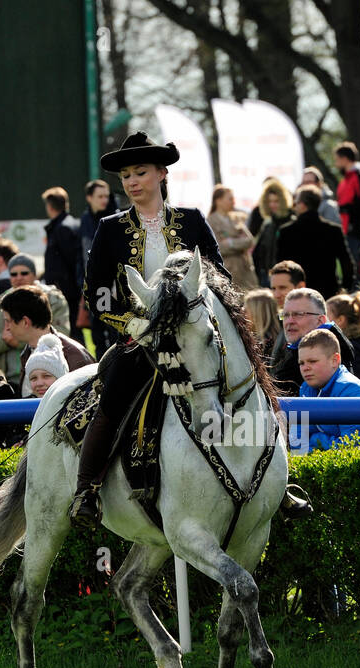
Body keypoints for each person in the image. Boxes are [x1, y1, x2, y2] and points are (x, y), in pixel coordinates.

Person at [72, 131, 230, 524]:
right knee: (114, 394)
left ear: (162, 173)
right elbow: (97, 294)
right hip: (139, 340)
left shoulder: (192, 220)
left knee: (244, 380)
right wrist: (134, 323)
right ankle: (86, 490)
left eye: (140, 172)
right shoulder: (109, 229)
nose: (131, 182)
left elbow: (220, 277)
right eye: (125, 175)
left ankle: (273, 484)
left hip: (195, 334)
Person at [287, 328, 360, 452]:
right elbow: (297, 445)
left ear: (335, 360)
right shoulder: (305, 389)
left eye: (312, 361)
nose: (305, 368)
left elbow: (351, 449)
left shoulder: (351, 391)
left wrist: (315, 438)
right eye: (301, 363)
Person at [276, 185, 356, 299]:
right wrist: (345, 288)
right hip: (328, 291)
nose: (294, 207)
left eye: (296, 203)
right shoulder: (333, 230)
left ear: (302, 205)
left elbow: (281, 265)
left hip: (297, 293)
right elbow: (346, 262)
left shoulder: (286, 232)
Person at [271, 288, 356, 395]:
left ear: (320, 321)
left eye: (298, 314)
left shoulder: (334, 364)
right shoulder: (291, 355)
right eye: (285, 315)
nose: (289, 321)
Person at [0, 285, 93, 375]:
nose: (7, 328)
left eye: (8, 321)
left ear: (25, 322)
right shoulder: (28, 352)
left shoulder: (73, 356)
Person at [41, 187, 85, 320]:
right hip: (67, 288)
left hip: (65, 291)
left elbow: (71, 260)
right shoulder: (68, 224)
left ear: (49, 206)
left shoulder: (62, 228)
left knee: (70, 329)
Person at [207, 185, 259, 291]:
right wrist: (239, 242)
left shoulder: (237, 218)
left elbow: (250, 241)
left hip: (246, 270)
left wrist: (230, 242)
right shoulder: (210, 221)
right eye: (230, 199)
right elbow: (219, 248)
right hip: (229, 272)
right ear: (219, 200)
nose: (233, 202)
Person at [334, 141, 360, 265]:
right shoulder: (345, 179)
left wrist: (355, 222)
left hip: (354, 228)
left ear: (344, 159)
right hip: (344, 227)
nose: (336, 164)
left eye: (337, 160)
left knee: (354, 264)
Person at [252, 179, 294, 287]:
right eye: (270, 201)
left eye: (276, 201)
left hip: (288, 277)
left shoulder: (292, 222)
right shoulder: (268, 225)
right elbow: (258, 253)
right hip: (268, 277)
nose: (272, 205)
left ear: (283, 201)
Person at [23, 333, 69, 399]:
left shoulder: (75, 406)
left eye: (46, 376)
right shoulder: (24, 407)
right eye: (33, 378)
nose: (39, 383)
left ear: (60, 378)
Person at [243, 288, 281, 362]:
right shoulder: (279, 336)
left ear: (258, 314)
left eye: (246, 310)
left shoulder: (264, 343)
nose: (242, 312)